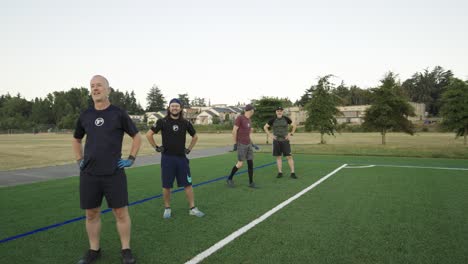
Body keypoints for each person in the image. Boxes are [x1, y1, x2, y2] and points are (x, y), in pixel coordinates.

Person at [73, 75, 141, 264]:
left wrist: (131, 159)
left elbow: (137, 137)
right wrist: (79, 158)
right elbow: (76, 138)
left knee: (120, 213)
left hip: (113, 173)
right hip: (89, 174)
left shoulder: (118, 113)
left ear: (108, 90)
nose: (96, 89)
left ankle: (126, 250)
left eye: (99, 86)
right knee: (91, 213)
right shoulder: (86, 115)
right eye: (92, 86)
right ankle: (94, 250)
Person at [146, 98, 205, 219]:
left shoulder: (185, 123)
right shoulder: (162, 121)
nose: (174, 108)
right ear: (169, 108)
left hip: (181, 159)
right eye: (172, 106)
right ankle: (167, 208)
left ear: (180, 108)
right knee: (167, 185)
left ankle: (192, 208)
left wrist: (188, 149)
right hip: (167, 159)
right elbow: (149, 134)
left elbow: (195, 137)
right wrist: (156, 147)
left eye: (177, 106)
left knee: (188, 184)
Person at [226, 104, 259, 188]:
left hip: (248, 144)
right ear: (250, 110)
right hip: (241, 144)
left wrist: (252, 144)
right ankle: (229, 178)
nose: (253, 112)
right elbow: (234, 131)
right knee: (240, 164)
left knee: (250, 163)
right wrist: (235, 143)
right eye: (253, 110)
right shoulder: (240, 118)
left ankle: (251, 182)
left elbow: (248, 134)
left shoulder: (249, 120)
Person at [263, 106, 297, 179]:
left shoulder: (286, 119)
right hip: (276, 141)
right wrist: (270, 135)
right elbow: (265, 127)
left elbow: (294, 125)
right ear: (276, 112)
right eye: (278, 111)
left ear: (282, 111)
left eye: (280, 111)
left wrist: (291, 134)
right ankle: (280, 172)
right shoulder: (273, 119)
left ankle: (292, 173)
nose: (279, 112)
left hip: (285, 140)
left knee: (289, 157)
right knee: (278, 157)